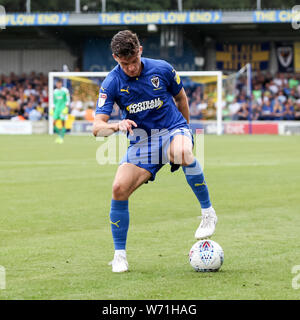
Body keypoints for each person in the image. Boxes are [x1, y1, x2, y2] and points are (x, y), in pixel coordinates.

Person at [92, 30, 217, 273]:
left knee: (183, 152)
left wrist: (186, 131)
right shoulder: (112, 82)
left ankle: (208, 212)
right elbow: (97, 128)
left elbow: (181, 99)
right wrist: (116, 126)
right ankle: (119, 256)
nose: (130, 68)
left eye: (134, 61)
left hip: (172, 129)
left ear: (140, 51)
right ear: (116, 58)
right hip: (141, 142)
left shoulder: (163, 69)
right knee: (118, 189)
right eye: (124, 64)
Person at [52, 80, 70, 144]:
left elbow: (68, 99)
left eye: (59, 83)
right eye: (57, 84)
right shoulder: (55, 91)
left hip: (63, 109)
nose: (58, 85)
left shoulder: (65, 90)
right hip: (57, 109)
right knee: (53, 123)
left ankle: (61, 138)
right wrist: (53, 107)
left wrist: (66, 107)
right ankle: (60, 135)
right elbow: (54, 100)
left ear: (61, 84)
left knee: (63, 123)